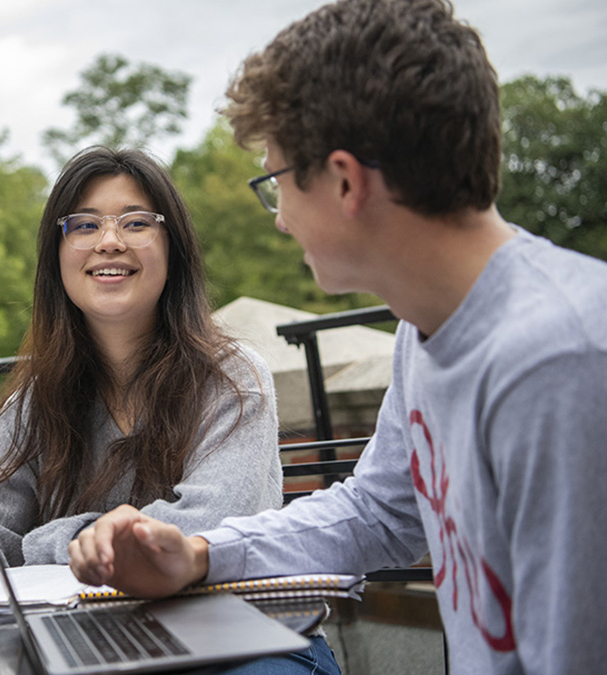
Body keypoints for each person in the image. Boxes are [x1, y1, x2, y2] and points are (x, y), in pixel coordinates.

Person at [68, 1, 607, 673]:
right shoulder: (429, 324)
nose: (281, 221)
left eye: (277, 182)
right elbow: (378, 511)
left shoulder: (561, 363)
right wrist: (199, 553)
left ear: (346, 181)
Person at [0, 147, 340, 671]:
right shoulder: (33, 401)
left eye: (135, 222)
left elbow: (203, 531)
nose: (109, 241)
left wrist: (39, 543)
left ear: (172, 247)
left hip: (244, 641)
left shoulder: (231, 377)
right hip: (101, 644)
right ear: (56, 255)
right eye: (84, 225)